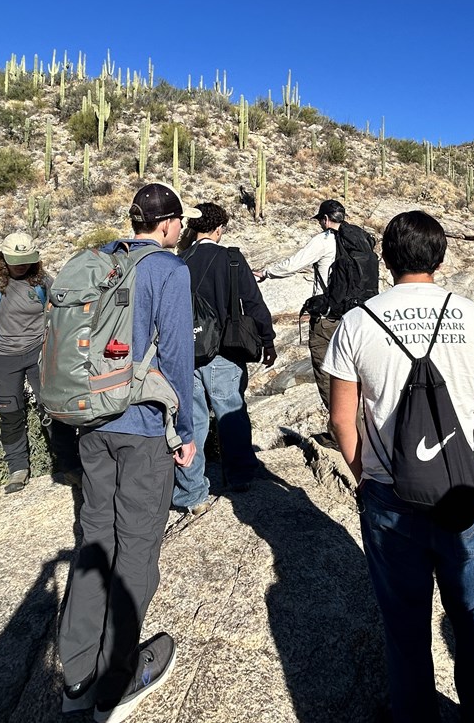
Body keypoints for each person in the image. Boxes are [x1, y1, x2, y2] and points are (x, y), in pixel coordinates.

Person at [323, 210, 474, 723]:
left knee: (404, 625)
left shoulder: (358, 321)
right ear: (441, 255)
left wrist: (368, 477)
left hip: (390, 494)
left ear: (385, 258)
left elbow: (343, 419)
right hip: (463, 492)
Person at [59, 183, 198, 721]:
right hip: (143, 427)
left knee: (95, 538)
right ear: (166, 224)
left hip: (92, 422)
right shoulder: (168, 269)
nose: (180, 231)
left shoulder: (101, 261)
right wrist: (183, 430)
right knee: (137, 547)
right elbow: (179, 357)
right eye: (178, 222)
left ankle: (76, 677)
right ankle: (116, 682)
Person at [173, 203, 276, 516]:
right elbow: (252, 301)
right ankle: (240, 476)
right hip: (224, 352)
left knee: (192, 421)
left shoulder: (180, 259)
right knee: (230, 413)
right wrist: (267, 340)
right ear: (218, 229)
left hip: (186, 352)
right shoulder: (231, 258)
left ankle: (191, 492)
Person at [0, 232, 79, 493]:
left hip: (39, 353)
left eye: (26, 259)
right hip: (4, 358)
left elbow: (61, 310)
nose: (21, 265)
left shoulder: (42, 281)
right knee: (10, 414)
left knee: (53, 408)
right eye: (15, 260)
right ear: (3, 258)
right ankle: (18, 468)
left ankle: (68, 464)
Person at [253, 198, 343, 405]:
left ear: (326, 219)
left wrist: (268, 273)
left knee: (325, 371)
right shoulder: (358, 238)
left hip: (327, 315)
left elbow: (294, 263)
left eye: (321, 220)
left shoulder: (325, 240)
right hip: (354, 313)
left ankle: (338, 431)